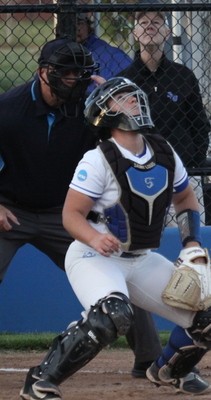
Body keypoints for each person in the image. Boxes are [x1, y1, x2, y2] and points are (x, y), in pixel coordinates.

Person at [19, 77, 211, 400]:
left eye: (133, 94)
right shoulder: (98, 159)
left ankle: (169, 369)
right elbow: (71, 215)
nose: (133, 99)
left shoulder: (163, 151)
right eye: (122, 97)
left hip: (141, 259)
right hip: (94, 257)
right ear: (104, 112)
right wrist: (94, 237)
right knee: (112, 315)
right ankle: (41, 379)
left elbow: (186, 200)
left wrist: (191, 242)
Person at [0, 38, 163, 379]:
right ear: (43, 73)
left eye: (81, 74)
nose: (76, 80)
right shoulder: (9, 109)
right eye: (67, 73)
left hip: (65, 213)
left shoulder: (89, 112)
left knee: (119, 269)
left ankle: (150, 359)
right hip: (11, 210)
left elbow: (127, 148)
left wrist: (111, 104)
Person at [118, 11, 211, 168]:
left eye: (156, 23)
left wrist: (195, 161)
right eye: (144, 23)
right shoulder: (124, 80)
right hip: (136, 165)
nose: (150, 27)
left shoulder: (183, 76)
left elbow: (199, 123)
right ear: (135, 34)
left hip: (179, 164)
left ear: (167, 33)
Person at [75, 12, 133, 81]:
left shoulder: (110, 54)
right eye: (70, 24)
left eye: (79, 23)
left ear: (88, 26)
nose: (76, 28)